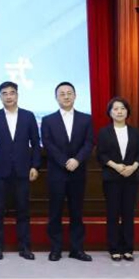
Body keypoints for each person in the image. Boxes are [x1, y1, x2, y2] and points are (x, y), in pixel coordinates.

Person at [0, 81, 41, 260]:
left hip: (23, 170)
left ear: (17, 95)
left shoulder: (28, 116)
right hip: (0, 171)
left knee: (23, 210)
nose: (9, 96)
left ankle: (25, 247)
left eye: (12, 92)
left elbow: (36, 143)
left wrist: (35, 166)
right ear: (0, 97)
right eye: (5, 93)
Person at [41, 82, 94, 262]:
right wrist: (64, 161)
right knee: (55, 212)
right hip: (57, 173)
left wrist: (77, 160)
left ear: (75, 96)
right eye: (62, 94)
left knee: (76, 212)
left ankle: (77, 249)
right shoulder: (48, 120)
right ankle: (55, 249)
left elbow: (89, 143)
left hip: (78, 172)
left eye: (69, 93)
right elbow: (48, 144)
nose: (66, 96)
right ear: (56, 98)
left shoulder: (86, 119)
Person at [97, 97, 139, 262]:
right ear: (110, 113)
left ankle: (128, 248)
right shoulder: (104, 132)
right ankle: (114, 248)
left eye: (122, 108)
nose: (119, 112)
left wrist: (133, 167)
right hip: (112, 177)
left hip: (131, 177)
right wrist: (116, 166)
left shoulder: (135, 132)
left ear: (127, 112)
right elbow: (101, 154)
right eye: (115, 109)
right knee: (113, 213)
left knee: (128, 213)